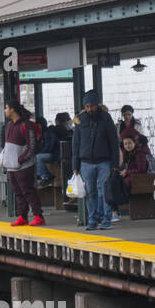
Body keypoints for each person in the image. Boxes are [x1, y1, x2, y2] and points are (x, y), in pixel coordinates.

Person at [71, 90, 119, 231]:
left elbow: (113, 142)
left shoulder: (106, 118)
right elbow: (76, 144)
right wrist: (75, 165)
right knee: (90, 192)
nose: (89, 109)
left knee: (104, 192)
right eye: (87, 106)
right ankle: (92, 220)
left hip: (104, 161)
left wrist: (115, 164)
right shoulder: (80, 120)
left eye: (91, 106)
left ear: (96, 105)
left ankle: (106, 220)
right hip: (85, 162)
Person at [1, 102, 43, 227]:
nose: (5, 110)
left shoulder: (27, 125)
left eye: (6, 107)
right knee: (18, 192)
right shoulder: (9, 125)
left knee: (28, 190)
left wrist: (20, 160)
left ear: (13, 109)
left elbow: (32, 147)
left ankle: (38, 216)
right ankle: (23, 216)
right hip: (12, 166)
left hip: (25, 166)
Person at [35, 112, 72, 188]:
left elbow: (49, 147)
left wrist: (40, 152)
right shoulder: (69, 130)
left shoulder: (50, 131)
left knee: (38, 157)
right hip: (66, 155)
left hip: (57, 154)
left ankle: (45, 177)